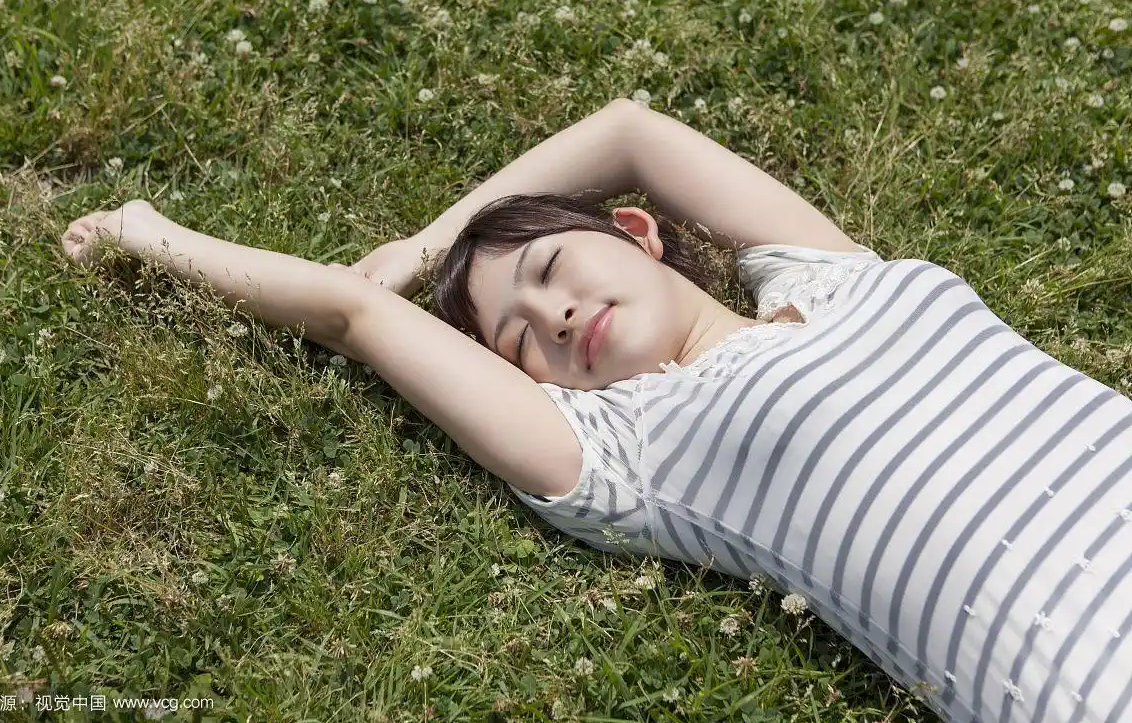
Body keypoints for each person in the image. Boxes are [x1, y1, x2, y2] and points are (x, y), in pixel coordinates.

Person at [61, 98, 1132, 723]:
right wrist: (147, 234)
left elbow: (629, 129)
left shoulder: (837, 271)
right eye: (519, 335)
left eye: (550, 265)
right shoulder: (626, 451)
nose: (553, 309)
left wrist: (432, 240)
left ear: (638, 230)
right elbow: (351, 315)